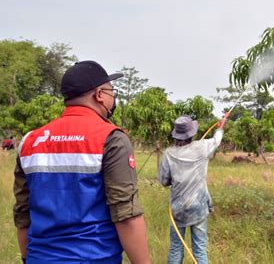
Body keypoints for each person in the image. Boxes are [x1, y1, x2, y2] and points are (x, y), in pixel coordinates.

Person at [13, 60, 151, 264]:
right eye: (110, 91)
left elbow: (23, 214)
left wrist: (27, 258)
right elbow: (126, 216)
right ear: (99, 95)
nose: (113, 98)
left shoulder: (30, 141)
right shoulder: (111, 138)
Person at [159, 115, 228, 264]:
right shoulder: (202, 147)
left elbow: (164, 181)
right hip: (199, 208)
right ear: (191, 134)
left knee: (176, 249)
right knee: (200, 248)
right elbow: (216, 140)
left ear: (176, 134)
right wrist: (221, 126)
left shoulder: (169, 154)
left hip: (178, 209)